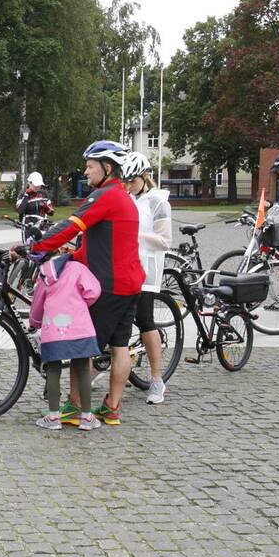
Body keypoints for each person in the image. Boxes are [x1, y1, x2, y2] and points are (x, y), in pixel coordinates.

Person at [26, 140, 145, 426]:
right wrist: (73, 254)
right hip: (129, 283)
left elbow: (72, 225)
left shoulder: (105, 195)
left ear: (107, 167)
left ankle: (73, 407)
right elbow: (107, 244)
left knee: (82, 349)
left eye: (91, 167)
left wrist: (41, 244)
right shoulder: (122, 196)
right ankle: (111, 408)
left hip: (107, 286)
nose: (86, 172)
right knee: (119, 347)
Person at [29, 253, 103, 430]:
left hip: (53, 330)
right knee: (84, 368)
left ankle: (53, 417)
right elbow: (94, 291)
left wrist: (35, 322)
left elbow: (37, 304)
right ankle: (86, 417)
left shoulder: (44, 273)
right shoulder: (78, 268)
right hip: (80, 328)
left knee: (53, 369)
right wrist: (83, 304)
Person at [122, 152, 172, 405]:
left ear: (144, 177)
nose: (128, 185)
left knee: (144, 320)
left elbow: (165, 240)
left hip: (146, 270)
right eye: (126, 181)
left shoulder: (158, 202)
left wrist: (136, 235)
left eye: (132, 180)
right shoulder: (126, 198)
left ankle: (156, 380)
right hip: (125, 266)